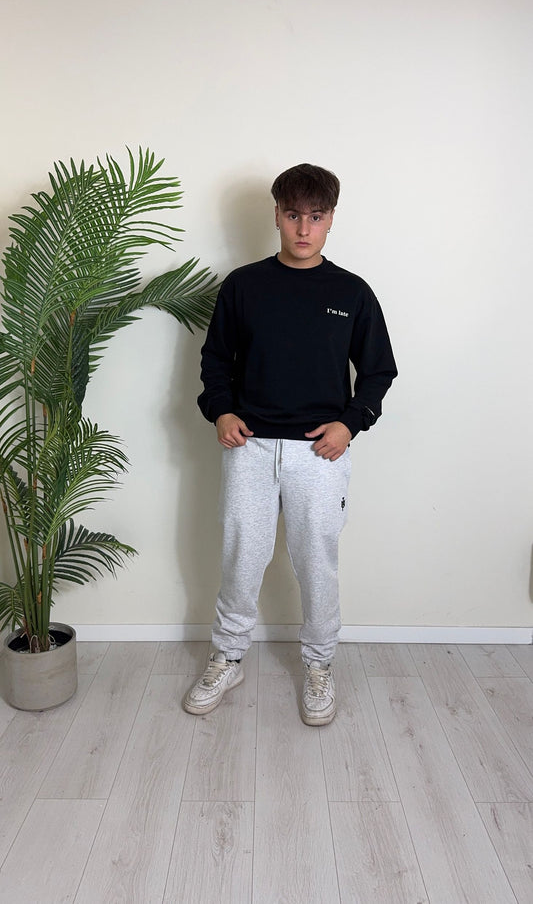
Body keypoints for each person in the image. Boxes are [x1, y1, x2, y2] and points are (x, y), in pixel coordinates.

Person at [184, 163, 397, 725]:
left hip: (319, 453)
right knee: (241, 558)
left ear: (331, 220)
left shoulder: (352, 292)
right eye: (293, 215)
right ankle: (228, 657)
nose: (304, 229)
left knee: (316, 563)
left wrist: (350, 424)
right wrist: (221, 410)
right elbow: (214, 360)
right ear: (277, 215)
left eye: (316, 217)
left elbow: (378, 371)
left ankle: (319, 664)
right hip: (250, 448)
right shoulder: (244, 285)